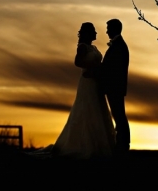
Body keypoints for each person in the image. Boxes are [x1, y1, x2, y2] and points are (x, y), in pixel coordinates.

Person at [48, 22, 117, 158]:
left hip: (96, 82)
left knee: (98, 109)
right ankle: (86, 146)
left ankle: (99, 144)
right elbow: (77, 62)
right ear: (88, 33)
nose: (96, 33)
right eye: (94, 31)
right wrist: (91, 68)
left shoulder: (93, 47)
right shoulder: (83, 47)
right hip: (88, 82)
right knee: (88, 108)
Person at [101, 18, 131, 154]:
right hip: (115, 87)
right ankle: (122, 143)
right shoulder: (118, 45)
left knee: (119, 116)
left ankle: (123, 144)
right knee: (119, 116)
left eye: (108, 28)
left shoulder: (118, 46)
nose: (106, 31)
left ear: (114, 29)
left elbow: (113, 69)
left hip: (115, 88)